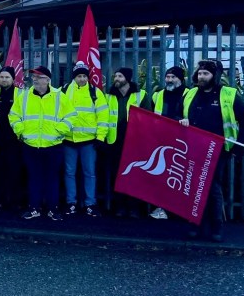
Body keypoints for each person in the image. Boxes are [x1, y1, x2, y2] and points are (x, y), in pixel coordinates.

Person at [180, 59, 244, 242]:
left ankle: (216, 226)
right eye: (200, 73)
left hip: (217, 150)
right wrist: (181, 120)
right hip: (194, 148)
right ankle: (195, 223)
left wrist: (238, 147)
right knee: (194, 186)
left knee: (212, 187)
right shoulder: (190, 94)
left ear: (215, 76)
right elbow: (177, 114)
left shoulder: (228, 94)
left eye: (206, 74)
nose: (201, 77)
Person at [10, 66, 75, 220]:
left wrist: (59, 130)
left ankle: (53, 209)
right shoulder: (24, 96)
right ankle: (34, 208)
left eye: (39, 77)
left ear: (47, 80)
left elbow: (71, 116)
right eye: (34, 77)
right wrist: (21, 131)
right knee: (34, 178)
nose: (35, 80)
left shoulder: (59, 96)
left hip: (53, 146)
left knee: (52, 178)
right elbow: (13, 115)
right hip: (31, 145)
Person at [62, 61, 109, 217]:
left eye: (84, 76)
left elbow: (103, 117)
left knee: (89, 173)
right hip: (68, 140)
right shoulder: (64, 91)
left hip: (89, 141)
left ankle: (90, 203)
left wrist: (100, 137)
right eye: (79, 76)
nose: (82, 79)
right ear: (74, 77)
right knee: (69, 173)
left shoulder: (95, 92)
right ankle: (71, 203)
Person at [103, 67, 149, 217]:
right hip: (114, 141)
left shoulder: (141, 95)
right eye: (115, 76)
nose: (116, 79)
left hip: (134, 141)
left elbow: (148, 118)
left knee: (134, 174)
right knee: (117, 175)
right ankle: (120, 206)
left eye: (120, 76)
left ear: (127, 79)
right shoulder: (108, 96)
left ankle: (134, 207)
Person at [149, 66, 187, 219]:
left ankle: (178, 209)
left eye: (173, 77)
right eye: (167, 77)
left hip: (182, 142)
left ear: (181, 79)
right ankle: (161, 208)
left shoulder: (189, 94)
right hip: (162, 140)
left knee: (179, 176)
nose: (169, 80)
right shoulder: (157, 95)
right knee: (163, 175)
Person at [0, 66, 24, 211]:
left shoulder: (21, 94)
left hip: (14, 139)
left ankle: (14, 201)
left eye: (7, 77)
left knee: (14, 171)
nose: (4, 80)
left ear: (13, 79)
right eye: (1, 77)